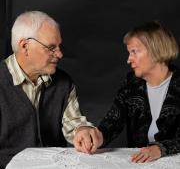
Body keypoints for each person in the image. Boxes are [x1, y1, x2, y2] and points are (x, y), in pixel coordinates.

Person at [0, 11, 100, 169]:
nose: (60, 54)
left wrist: (84, 130)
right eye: (51, 47)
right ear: (25, 46)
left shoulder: (64, 82)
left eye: (59, 46)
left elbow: (73, 124)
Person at [74, 21, 180, 163]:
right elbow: (113, 121)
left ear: (156, 50)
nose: (129, 60)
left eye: (134, 52)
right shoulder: (131, 83)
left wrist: (160, 149)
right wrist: (97, 136)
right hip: (140, 163)